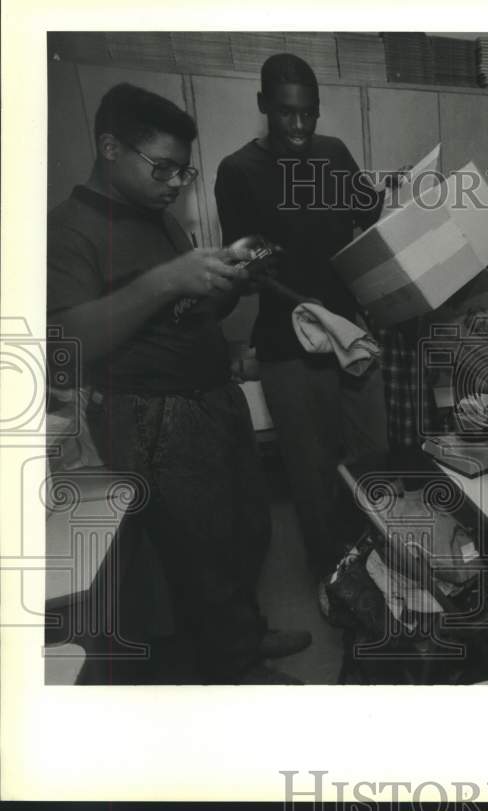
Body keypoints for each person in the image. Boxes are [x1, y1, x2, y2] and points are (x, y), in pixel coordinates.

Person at [47, 83, 310, 684]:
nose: (173, 183)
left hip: (210, 398)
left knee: (247, 529)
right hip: (152, 417)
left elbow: (184, 318)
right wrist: (168, 280)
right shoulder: (69, 230)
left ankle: (245, 635)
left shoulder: (160, 221)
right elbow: (66, 343)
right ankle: (232, 671)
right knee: (200, 556)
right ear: (109, 148)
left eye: (181, 172)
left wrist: (225, 287)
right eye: (162, 168)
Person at [215, 54, 392, 580]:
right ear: (263, 105)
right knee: (311, 474)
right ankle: (334, 578)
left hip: (350, 330)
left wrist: (392, 198)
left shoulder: (334, 153)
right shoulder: (238, 171)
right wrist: (269, 266)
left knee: (372, 454)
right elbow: (246, 261)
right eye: (287, 113)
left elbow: (367, 215)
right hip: (288, 341)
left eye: (309, 114)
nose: (298, 126)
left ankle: (380, 567)